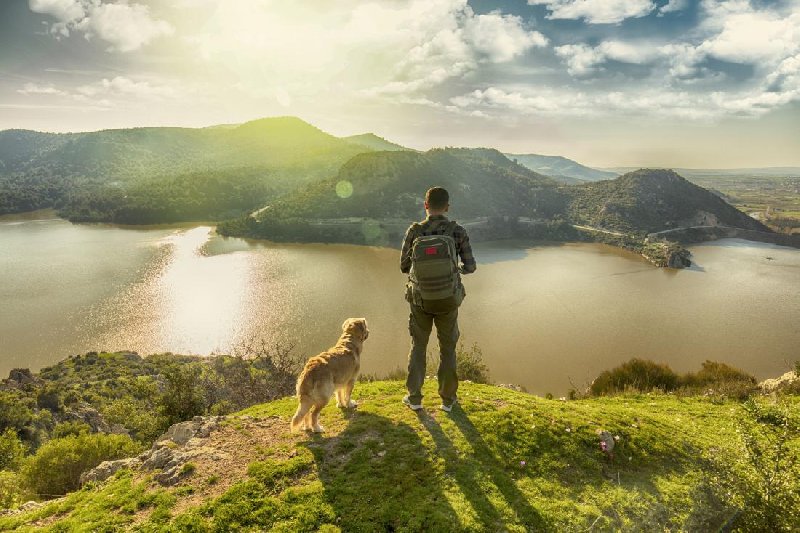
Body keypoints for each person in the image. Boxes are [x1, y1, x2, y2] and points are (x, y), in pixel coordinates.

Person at [400, 186, 476, 412]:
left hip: (420, 300)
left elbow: (404, 266)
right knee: (448, 349)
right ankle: (448, 400)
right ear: (447, 207)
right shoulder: (458, 231)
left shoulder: (414, 231)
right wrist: (455, 269)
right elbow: (471, 266)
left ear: (425, 205)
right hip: (448, 300)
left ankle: (414, 398)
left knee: (418, 346)